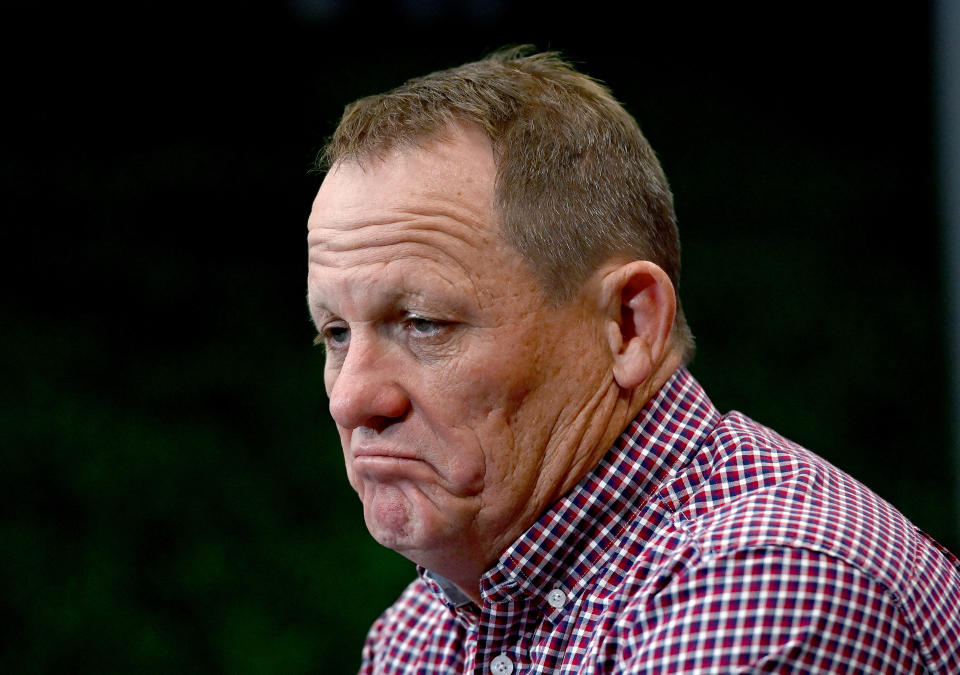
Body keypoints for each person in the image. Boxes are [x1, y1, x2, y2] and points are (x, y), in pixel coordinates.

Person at [306, 48, 960, 674]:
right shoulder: (419, 633)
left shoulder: (769, 586)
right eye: (335, 333)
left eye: (423, 323)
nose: (351, 398)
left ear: (629, 325)